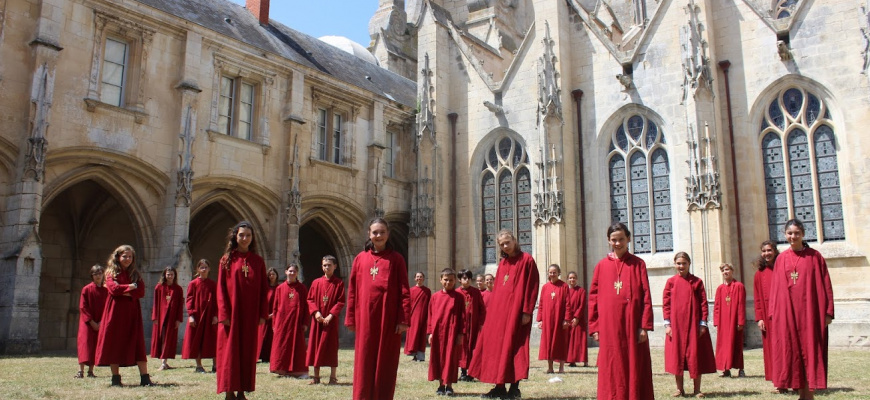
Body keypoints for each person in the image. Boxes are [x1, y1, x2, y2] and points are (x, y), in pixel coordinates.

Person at [345, 218, 411, 400]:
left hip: (388, 320)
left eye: (382, 232)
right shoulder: (360, 259)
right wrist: (351, 318)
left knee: (386, 362)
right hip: (365, 319)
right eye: (375, 232)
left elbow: (404, 290)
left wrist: (403, 319)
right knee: (364, 361)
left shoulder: (396, 259)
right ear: (369, 234)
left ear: (388, 234)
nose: (378, 235)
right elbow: (352, 291)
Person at [469, 229, 539, 399]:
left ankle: (514, 388)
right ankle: (499, 386)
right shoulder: (503, 264)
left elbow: (532, 287)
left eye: (508, 242)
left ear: (514, 240)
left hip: (517, 314)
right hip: (499, 315)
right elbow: (498, 291)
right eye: (502, 244)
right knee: (498, 349)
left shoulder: (527, 260)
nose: (506, 246)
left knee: (515, 348)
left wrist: (527, 311)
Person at [769, 219, 834, 400]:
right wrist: (774, 312)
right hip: (788, 315)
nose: (793, 236)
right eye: (790, 233)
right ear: (785, 235)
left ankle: (809, 395)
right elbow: (775, 288)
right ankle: (801, 394)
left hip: (810, 314)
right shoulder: (781, 259)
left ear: (803, 234)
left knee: (810, 350)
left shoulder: (815, 257)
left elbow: (825, 283)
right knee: (793, 353)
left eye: (796, 233)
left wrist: (828, 311)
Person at [589, 223, 654, 400]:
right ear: (608, 241)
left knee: (633, 363)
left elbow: (646, 294)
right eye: (614, 240)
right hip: (609, 327)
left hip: (632, 325)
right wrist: (594, 327)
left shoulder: (638, 264)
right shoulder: (601, 266)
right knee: (612, 365)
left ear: (628, 239)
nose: (617, 243)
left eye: (621, 239)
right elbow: (593, 297)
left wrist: (644, 326)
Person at [216, 221, 269, 400]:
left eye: (248, 235)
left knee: (247, 353)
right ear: (235, 237)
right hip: (232, 315)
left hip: (250, 315)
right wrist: (224, 314)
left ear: (252, 238)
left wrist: (262, 314)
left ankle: (241, 391)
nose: (244, 238)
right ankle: (229, 391)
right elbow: (221, 289)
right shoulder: (226, 259)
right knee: (230, 353)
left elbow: (264, 290)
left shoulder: (258, 262)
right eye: (241, 235)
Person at [95, 245, 153, 387]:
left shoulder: (135, 274)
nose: (127, 259)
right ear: (118, 257)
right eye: (124, 256)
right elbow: (113, 290)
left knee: (137, 342)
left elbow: (141, 292)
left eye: (130, 257)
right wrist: (131, 287)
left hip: (132, 312)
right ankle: (116, 378)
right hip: (115, 312)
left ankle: (145, 378)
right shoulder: (111, 273)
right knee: (114, 342)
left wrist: (125, 290)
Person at [663, 252, 716, 398]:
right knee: (677, 358)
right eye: (678, 263)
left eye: (684, 263)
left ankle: (697, 389)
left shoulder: (697, 282)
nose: (681, 266)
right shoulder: (671, 282)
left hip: (694, 325)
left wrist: (703, 323)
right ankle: (680, 389)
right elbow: (666, 304)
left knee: (695, 356)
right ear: (675, 264)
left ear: (689, 264)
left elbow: (703, 303)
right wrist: (667, 324)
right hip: (676, 326)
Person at [307, 255, 346, 385]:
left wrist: (330, 315)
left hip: (331, 321)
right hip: (318, 321)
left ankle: (333, 377)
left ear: (335, 266)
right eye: (324, 265)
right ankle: (316, 376)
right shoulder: (316, 283)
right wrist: (316, 312)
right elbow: (310, 299)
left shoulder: (339, 283)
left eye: (329, 265)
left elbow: (340, 302)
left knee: (331, 347)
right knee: (315, 346)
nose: (326, 267)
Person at [753, 240, 785, 393]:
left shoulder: (782, 268)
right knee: (772, 348)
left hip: (783, 314)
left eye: (769, 250)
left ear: (775, 251)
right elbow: (758, 297)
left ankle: (789, 379)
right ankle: (779, 382)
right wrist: (759, 317)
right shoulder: (759, 274)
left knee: (785, 347)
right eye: (764, 251)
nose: (767, 253)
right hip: (767, 317)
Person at [428, 268, 465, 396]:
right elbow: (430, 315)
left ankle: (449, 385)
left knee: (450, 358)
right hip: (438, 332)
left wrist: (460, 333)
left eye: (451, 280)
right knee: (438, 358)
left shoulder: (459, 297)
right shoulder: (435, 297)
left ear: (455, 281)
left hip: (452, 332)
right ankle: (440, 384)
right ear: (440, 280)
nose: (448, 282)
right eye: (445, 280)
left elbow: (462, 316)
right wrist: (430, 332)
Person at [270, 263, 309, 378]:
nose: (292, 273)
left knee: (297, 347)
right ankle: (281, 369)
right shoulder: (279, 288)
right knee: (281, 347)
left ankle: (298, 371)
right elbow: (275, 308)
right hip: (282, 323)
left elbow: (306, 307)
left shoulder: (302, 288)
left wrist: (305, 322)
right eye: (290, 271)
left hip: (296, 323)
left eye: (294, 271)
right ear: (286, 272)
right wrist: (274, 324)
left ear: (297, 273)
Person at [182, 259, 218, 373]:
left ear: (209, 269)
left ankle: (215, 365)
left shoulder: (213, 284)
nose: (204, 269)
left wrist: (215, 315)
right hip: (197, 316)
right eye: (201, 267)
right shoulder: (193, 284)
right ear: (198, 269)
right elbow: (189, 300)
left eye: (206, 267)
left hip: (209, 316)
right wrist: (191, 315)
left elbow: (217, 301)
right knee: (196, 339)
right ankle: (199, 365)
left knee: (213, 340)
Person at [76, 264, 108, 379]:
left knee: (95, 346)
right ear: (92, 275)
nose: (98, 276)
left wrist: (101, 322)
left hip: (100, 323)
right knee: (85, 345)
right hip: (87, 323)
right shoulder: (86, 289)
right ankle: (80, 371)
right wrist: (91, 322)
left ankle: (91, 371)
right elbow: (83, 307)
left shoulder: (105, 291)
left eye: (100, 273)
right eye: (96, 274)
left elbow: (107, 308)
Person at [714, 263, 746, 378]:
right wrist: (716, 321)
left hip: (735, 321)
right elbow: (717, 306)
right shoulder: (720, 288)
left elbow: (741, 304)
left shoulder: (739, 286)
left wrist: (741, 321)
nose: (725, 272)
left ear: (732, 271)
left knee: (736, 344)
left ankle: (741, 369)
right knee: (724, 346)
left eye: (727, 270)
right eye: (723, 270)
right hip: (723, 322)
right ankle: (726, 369)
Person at [537, 264, 571, 374]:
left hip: (560, 320)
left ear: (558, 273)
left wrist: (566, 319)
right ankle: (550, 367)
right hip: (547, 320)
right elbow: (541, 304)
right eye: (550, 272)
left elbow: (568, 303)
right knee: (548, 342)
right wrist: (540, 319)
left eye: (554, 272)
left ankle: (561, 367)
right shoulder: (545, 287)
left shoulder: (564, 286)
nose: (552, 274)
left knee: (560, 342)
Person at [151, 266, 184, 371]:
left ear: (175, 276)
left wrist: (179, 319)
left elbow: (180, 305)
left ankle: (165, 362)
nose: (170, 276)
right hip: (161, 316)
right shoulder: (159, 287)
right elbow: (155, 303)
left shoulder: (178, 289)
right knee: (161, 338)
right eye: (168, 274)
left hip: (172, 317)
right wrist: (155, 317)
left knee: (169, 338)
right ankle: (163, 362)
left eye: (172, 274)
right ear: (165, 275)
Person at [458, 268, 486, 382]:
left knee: (473, 348)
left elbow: (482, 309)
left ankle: (472, 372)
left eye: (469, 278)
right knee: (462, 349)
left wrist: (481, 323)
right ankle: (463, 372)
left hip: (473, 325)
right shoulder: (457, 293)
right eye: (465, 278)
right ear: (460, 280)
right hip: (461, 326)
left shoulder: (476, 292)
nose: (467, 280)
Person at [405, 271, 431, 362]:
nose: (419, 278)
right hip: (413, 317)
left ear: (423, 279)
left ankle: (421, 357)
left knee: (420, 336)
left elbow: (429, 305)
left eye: (421, 277)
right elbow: (408, 304)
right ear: (415, 279)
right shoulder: (411, 290)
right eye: (417, 277)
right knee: (413, 336)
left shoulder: (427, 291)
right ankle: (414, 355)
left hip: (423, 317)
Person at [565, 271, 588, 367]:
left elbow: (582, 305)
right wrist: (567, 318)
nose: (572, 280)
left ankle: (584, 361)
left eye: (574, 278)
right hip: (569, 319)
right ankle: (572, 360)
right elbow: (565, 305)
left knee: (580, 340)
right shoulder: (565, 291)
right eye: (570, 278)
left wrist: (576, 317)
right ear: (567, 280)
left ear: (576, 279)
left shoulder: (581, 291)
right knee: (570, 341)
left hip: (579, 319)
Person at [258, 268, 279, 363]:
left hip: (276, 316)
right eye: (270, 275)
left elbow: (281, 303)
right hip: (265, 316)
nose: (272, 276)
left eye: (273, 274)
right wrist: (264, 314)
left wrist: (274, 314)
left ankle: (272, 356)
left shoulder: (279, 288)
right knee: (263, 336)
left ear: (277, 275)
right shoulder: (265, 288)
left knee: (273, 336)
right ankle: (262, 356)